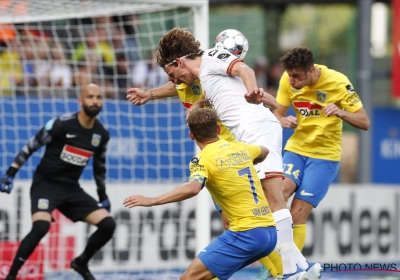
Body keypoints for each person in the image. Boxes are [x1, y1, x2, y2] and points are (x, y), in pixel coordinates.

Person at [154, 27, 319, 279]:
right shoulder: (205, 78)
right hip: (254, 130)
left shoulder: (211, 56)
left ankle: (290, 270)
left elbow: (245, 69)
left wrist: (253, 92)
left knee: (273, 199)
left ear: (178, 62)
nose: (173, 79)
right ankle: (300, 265)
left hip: (255, 129)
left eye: (171, 73)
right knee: (268, 199)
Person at [246, 46, 370, 278]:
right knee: (278, 194)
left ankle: (286, 269)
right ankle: (276, 265)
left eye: (297, 76)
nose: (291, 80)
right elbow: (277, 113)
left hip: (325, 157)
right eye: (289, 75)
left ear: (311, 71)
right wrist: (283, 120)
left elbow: (364, 122)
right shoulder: (287, 79)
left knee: (297, 214)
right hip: (296, 149)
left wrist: (342, 113)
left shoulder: (339, 83)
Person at [123, 108, 276, 280]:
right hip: (270, 232)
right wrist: (248, 161)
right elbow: (264, 151)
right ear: (217, 129)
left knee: (189, 278)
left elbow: (193, 188)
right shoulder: (240, 148)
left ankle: (297, 272)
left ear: (191, 135)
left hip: (246, 233)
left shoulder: (202, 160)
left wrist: (152, 200)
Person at [0, 84, 116, 280]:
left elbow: (99, 168)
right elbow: (31, 146)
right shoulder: (61, 124)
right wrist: (10, 173)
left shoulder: (101, 135)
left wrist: (103, 196)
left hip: (71, 188)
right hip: (45, 184)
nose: (95, 101)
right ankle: (11, 276)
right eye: (90, 97)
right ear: (81, 101)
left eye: (98, 97)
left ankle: (81, 262)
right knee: (41, 227)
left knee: (108, 224)